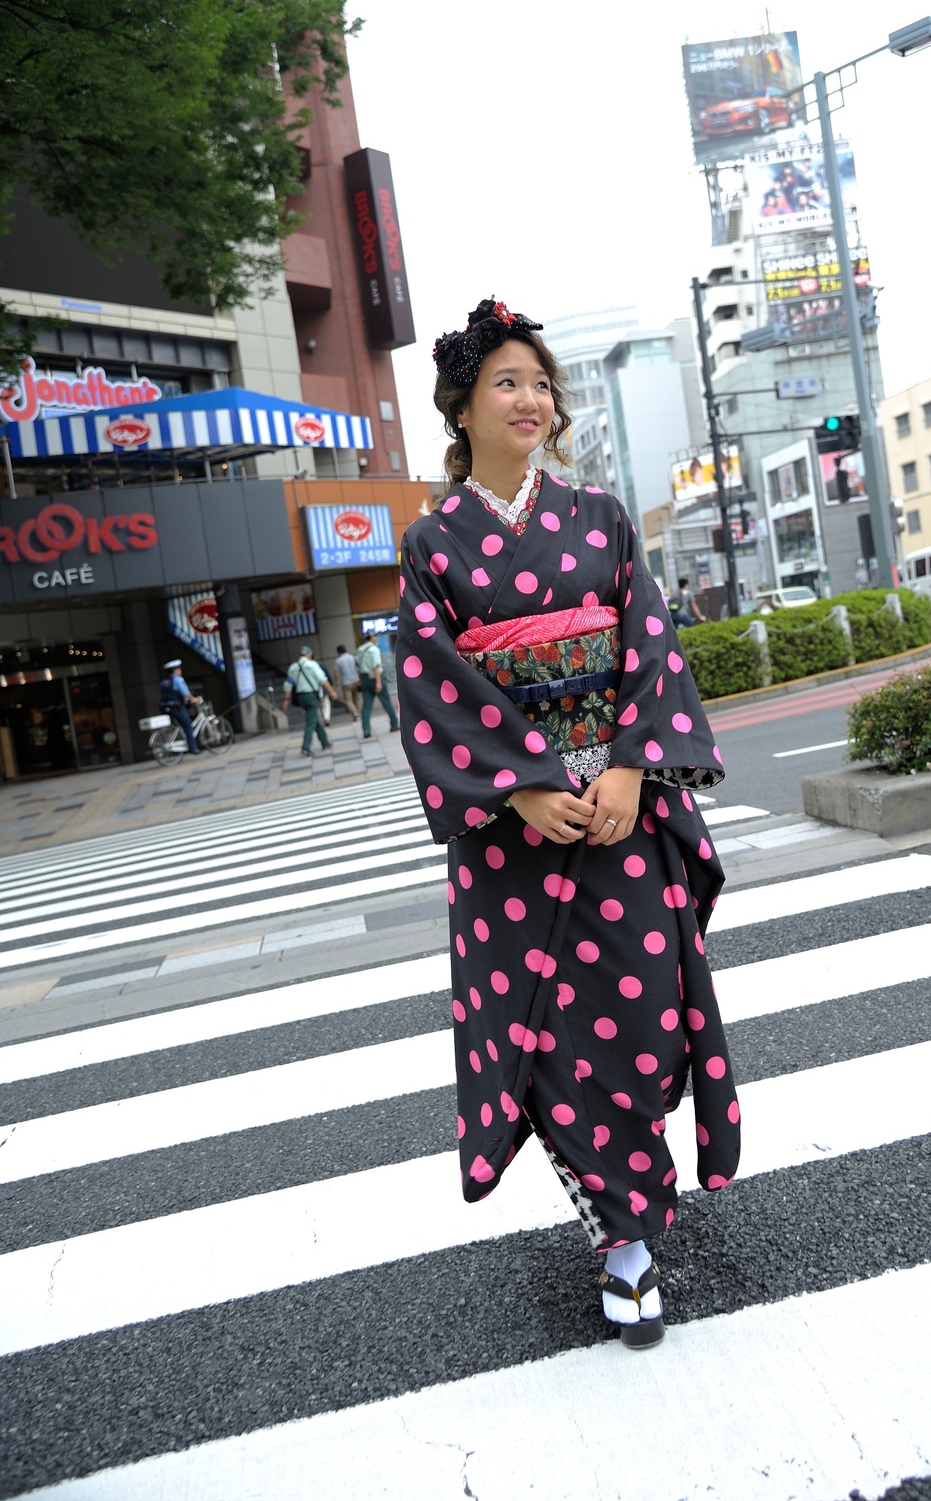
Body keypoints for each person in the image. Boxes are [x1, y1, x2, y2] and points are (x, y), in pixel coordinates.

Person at [396, 298, 740, 1350]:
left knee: (639, 1022)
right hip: (514, 833)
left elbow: (648, 641)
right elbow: (425, 679)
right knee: (545, 1037)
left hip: (621, 815)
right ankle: (620, 1239)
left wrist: (635, 762)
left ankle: (631, 1198)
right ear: (460, 406)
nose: (531, 400)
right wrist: (519, 785)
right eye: (507, 381)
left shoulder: (599, 519)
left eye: (540, 382)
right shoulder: (432, 543)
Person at [282, 645, 336, 756]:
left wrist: (286, 699)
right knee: (311, 721)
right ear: (309, 654)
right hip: (311, 695)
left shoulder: (293, 667)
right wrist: (331, 692)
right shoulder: (312, 665)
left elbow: (288, 684)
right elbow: (322, 679)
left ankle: (325, 741)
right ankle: (306, 746)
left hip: (300, 697)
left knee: (314, 718)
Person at [356, 631, 400, 740]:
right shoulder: (374, 649)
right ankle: (394, 724)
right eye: (375, 636)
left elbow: (358, 668)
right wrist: (378, 682)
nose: (376, 638)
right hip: (376, 677)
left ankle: (366, 730)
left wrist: (362, 681)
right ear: (371, 638)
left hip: (365, 678)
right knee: (386, 702)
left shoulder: (359, 650)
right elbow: (376, 666)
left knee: (366, 706)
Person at [159, 659, 200, 755]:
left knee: (174, 726)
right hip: (176, 707)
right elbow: (185, 692)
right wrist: (194, 699)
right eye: (179, 669)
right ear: (176, 670)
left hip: (165, 707)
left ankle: (172, 742)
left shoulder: (164, 682)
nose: (180, 670)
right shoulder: (178, 679)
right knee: (188, 726)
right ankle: (193, 748)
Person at [333, 644, 360, 722]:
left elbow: (337, 673)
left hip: (346, 682)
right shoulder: (353, 657)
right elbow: (358, 668)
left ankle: (355, 713)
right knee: (357, 698)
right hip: (355, 679)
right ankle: (357, 712)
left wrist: (337, 681)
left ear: (338, 652)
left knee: (348, 700)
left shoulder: (338, 660)